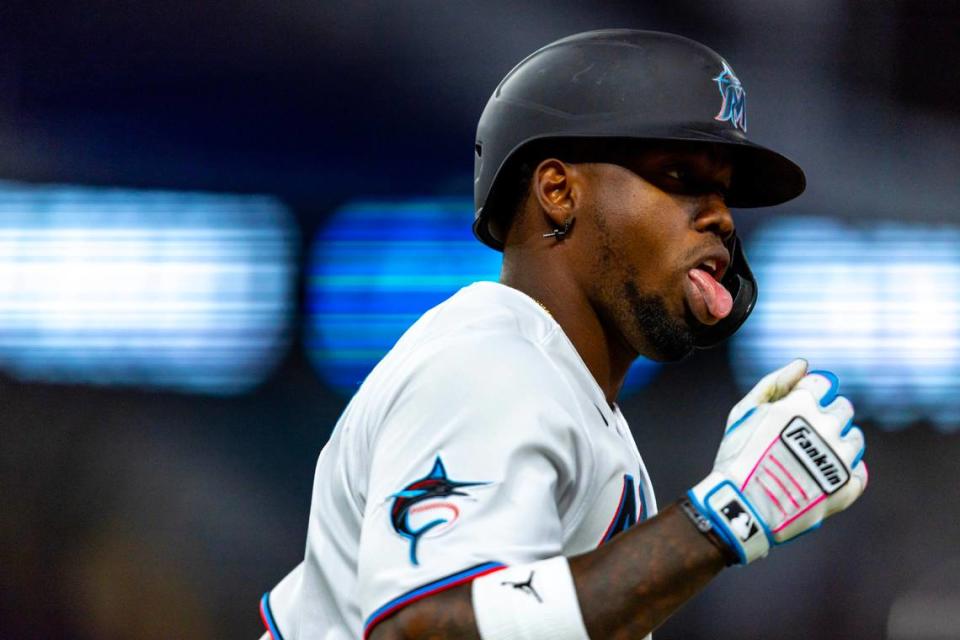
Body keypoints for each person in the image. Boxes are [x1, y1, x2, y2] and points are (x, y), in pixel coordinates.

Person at [259, 29, 867, 640]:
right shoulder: (491, 364)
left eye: (723, 191)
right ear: (558, 190)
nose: (721, 216)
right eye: (680, 173)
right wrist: (724, 516)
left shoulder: (575, 400)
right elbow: (421, 630)